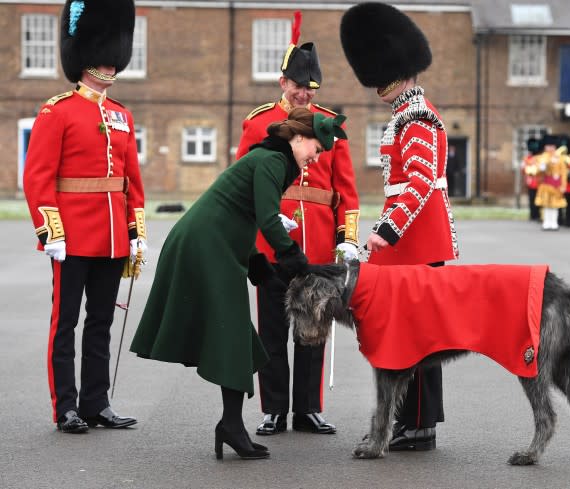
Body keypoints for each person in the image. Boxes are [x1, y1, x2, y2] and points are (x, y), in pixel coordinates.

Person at [130, 108, 348, 460]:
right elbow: (265, 217)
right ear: (297, 138)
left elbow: (241, 213)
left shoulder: (271, 160)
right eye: (316, 149)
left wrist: (257, 262)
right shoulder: (273, 162)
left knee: (238, 336)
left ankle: (230, 424)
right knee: (231, 331)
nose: (316, 157)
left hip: (216, 243)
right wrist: (294, 258)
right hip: (205, 245)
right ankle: (230, 426)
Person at [340, 2, 459, 452]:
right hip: (404, 240)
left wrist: (386, 231)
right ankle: (406, 419)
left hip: (416, 239)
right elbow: (400, 187)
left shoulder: (419, 116)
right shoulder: (403, 114)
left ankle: (422, 424)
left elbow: (422, 183)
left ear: (398, 72)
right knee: (403, 334)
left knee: (421, 334)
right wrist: (386, 229)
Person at [22, 0, 145, 434]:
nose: (110, 63)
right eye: (103, 55)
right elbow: (38, 177)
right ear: (84, 59)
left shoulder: (122, 116)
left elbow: (131, 181)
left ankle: (97, 402)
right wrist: (49, 229)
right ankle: (66, 406)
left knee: (101, 323)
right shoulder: (58, 111)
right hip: (71, 236)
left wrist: (135, 232)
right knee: (66, 323)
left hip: (112, 237)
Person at [236, 12, 360, 437]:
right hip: (272, 244)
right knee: (271, 328)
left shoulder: (330, 126)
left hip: (319, 245)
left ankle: (307, 408)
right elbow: (243, 186)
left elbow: (347, 192)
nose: (304, 93)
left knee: (313, 330)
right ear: (282, 82)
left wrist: (347, 239)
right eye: (297, 85)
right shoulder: (257, 122)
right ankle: (274, 409)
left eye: (310, 87)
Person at [534, 134, 568, 231]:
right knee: (546, 204)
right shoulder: (542, 158)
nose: (550, 148)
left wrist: (563, 185)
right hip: (546, 184)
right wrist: (544, 165)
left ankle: (554, 222)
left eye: (552, 146)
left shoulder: (560, 158)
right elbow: (538, 172)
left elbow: (564, 173)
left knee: (555, 205)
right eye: (548, 146)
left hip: (556, 185)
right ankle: (546, 222)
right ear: (545, 147)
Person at [522, 137, 541, 221]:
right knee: (532, 198)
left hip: (539, 180)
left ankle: (539, 214)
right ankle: (533, 214)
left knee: (539, 198)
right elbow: (524, 169)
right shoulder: (527, 158)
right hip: (531, 180)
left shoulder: (540, 157)